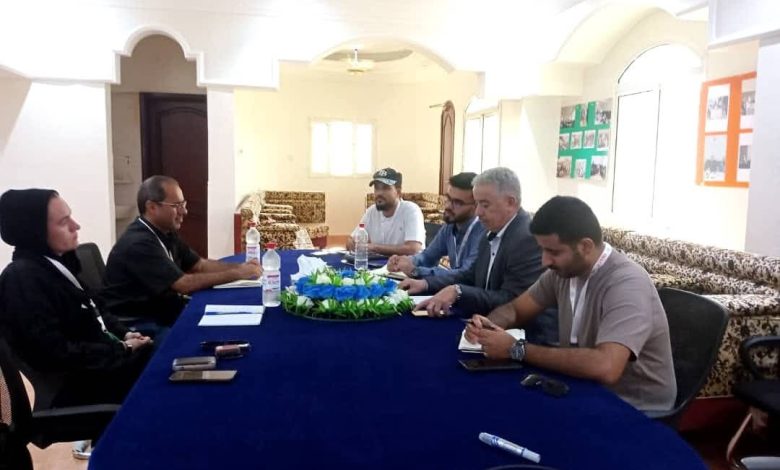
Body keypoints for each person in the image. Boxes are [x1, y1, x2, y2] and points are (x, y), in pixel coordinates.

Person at [465, 196, 676, 411]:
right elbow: (515, 310)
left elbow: (606, 367)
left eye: (554, 252)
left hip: (633, 408)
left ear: (585, 246)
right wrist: (488, 327)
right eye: (543, 250)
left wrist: (516, 349)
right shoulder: (564, 272)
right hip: (582, 388)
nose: (545, 261)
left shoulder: (627, 283)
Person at [0, 189, 153, 409]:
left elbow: (96, 309)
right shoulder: (22, 280)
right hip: (76, 385)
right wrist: (123, 348)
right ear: (35, 231)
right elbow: (55, 353)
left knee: (166, 357)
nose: (76, 226)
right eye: (64, 222)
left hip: (102, 364)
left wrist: (125, 334)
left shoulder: (57, 263)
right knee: (164, 376)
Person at [400, 167, 557, 344]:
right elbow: (469, 275)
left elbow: (512, 300)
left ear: (510, 202)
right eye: (477, 204)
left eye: (485, 205)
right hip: (485, 324)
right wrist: (426, 283)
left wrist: (458, 291)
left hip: (527, 338)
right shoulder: (491, 229)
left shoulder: (527, 238)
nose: (478, 212)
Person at [101, 176, 261, 333]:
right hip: (140, 323)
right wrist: (238, 273)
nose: (184, 211)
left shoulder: (165, 231)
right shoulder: (139, 243)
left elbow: (199, 265)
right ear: (152, 207)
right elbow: (183, 284)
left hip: (166, 310)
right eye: (176, 205)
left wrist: (242, 267)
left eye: (183, 204)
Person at [386, 172, 484, 278]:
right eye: (448, 198)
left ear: (476, 205)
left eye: (457, 202)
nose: (448, 206)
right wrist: (405, 261)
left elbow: (464, 274)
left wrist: (416, 271)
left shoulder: (483, 232)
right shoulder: (450, 226)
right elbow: (428, 256)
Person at [346, 168, 425, 257]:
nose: (379, 193)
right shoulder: (371, 211)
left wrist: (374, 247)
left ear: (398, 192)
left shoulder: (411, 210)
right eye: (377, 188)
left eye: (385, 188)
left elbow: (413, 249)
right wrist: (352, 244)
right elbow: (351, 240)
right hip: (377, 265)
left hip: (405, 265)